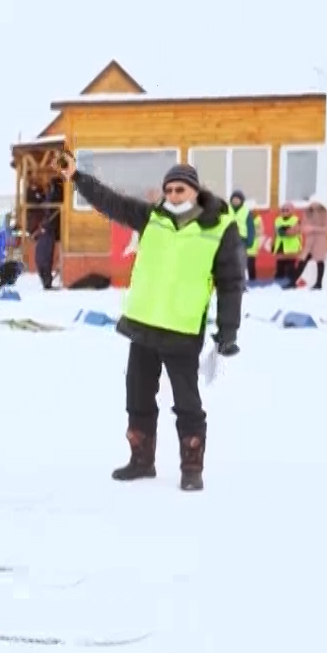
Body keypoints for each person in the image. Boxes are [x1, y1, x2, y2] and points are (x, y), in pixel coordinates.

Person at [60, 154, 243, 492]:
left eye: (180, 189)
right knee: (138, 395)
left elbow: (231, 282)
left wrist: (227, 332)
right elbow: (111, 203)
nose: (173, 195)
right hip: (144, 323)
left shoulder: (219, 227)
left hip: (183, 329)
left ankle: (191, 467)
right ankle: (141, 461)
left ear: (195, 190)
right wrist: (77, 177)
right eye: (169, 189)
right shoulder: (152, 217)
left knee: (187, 402)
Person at [223, 191, 261, 282]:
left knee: (241, 263)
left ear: (242, 201)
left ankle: (241, 284)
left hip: (241, 240)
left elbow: (250, 227)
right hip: (229, 240)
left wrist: (250, 241)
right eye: (234, 199)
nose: (235, 201)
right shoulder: (226, 210)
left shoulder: (246, 212)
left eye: (238, 199)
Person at [296, 198, 327, 289]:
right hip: (310, 241)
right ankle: (294, 280)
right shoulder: (307, 212)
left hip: (320, 240)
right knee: (303, 259)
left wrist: (313, 228)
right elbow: (303, 227)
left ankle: (319, 283)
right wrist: (306, 229)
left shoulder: (324, 213)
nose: (313, 205)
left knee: (320, 261)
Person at [270, 202, 302, 286]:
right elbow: (275, 234)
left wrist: (284, 231)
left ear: (291, 211)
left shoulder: (295, 219)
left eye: (287, 210)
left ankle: (291, 283)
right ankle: (278, 284)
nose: (284, 212)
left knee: (290, 267)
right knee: (280, 266)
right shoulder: (277, 220)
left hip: (291, 248)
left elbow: (295, 231)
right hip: (280, 247)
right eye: (283, 210)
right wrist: (272, 245)